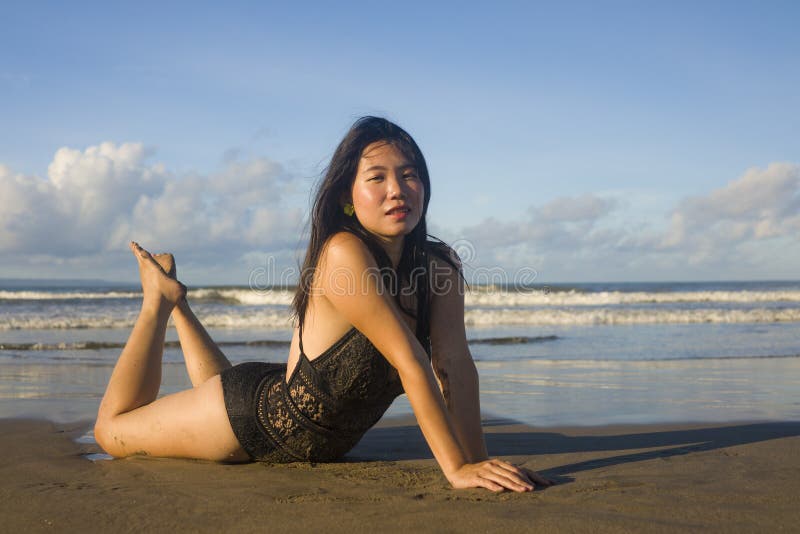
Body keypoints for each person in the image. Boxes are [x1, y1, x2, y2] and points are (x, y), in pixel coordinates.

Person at [94, 116, 553, 493]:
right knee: (111, 433)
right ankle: (158, 303)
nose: (397, 189)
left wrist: (477, 461)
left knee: (213, 384)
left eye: (409, 174)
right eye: (377, 177)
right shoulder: (342, 252)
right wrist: (456, 471)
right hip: (253, 426)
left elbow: (454, 363)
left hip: (285, 403)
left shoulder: (440, 266)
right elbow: (411, 361)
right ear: (346, 198)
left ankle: (180, 305)